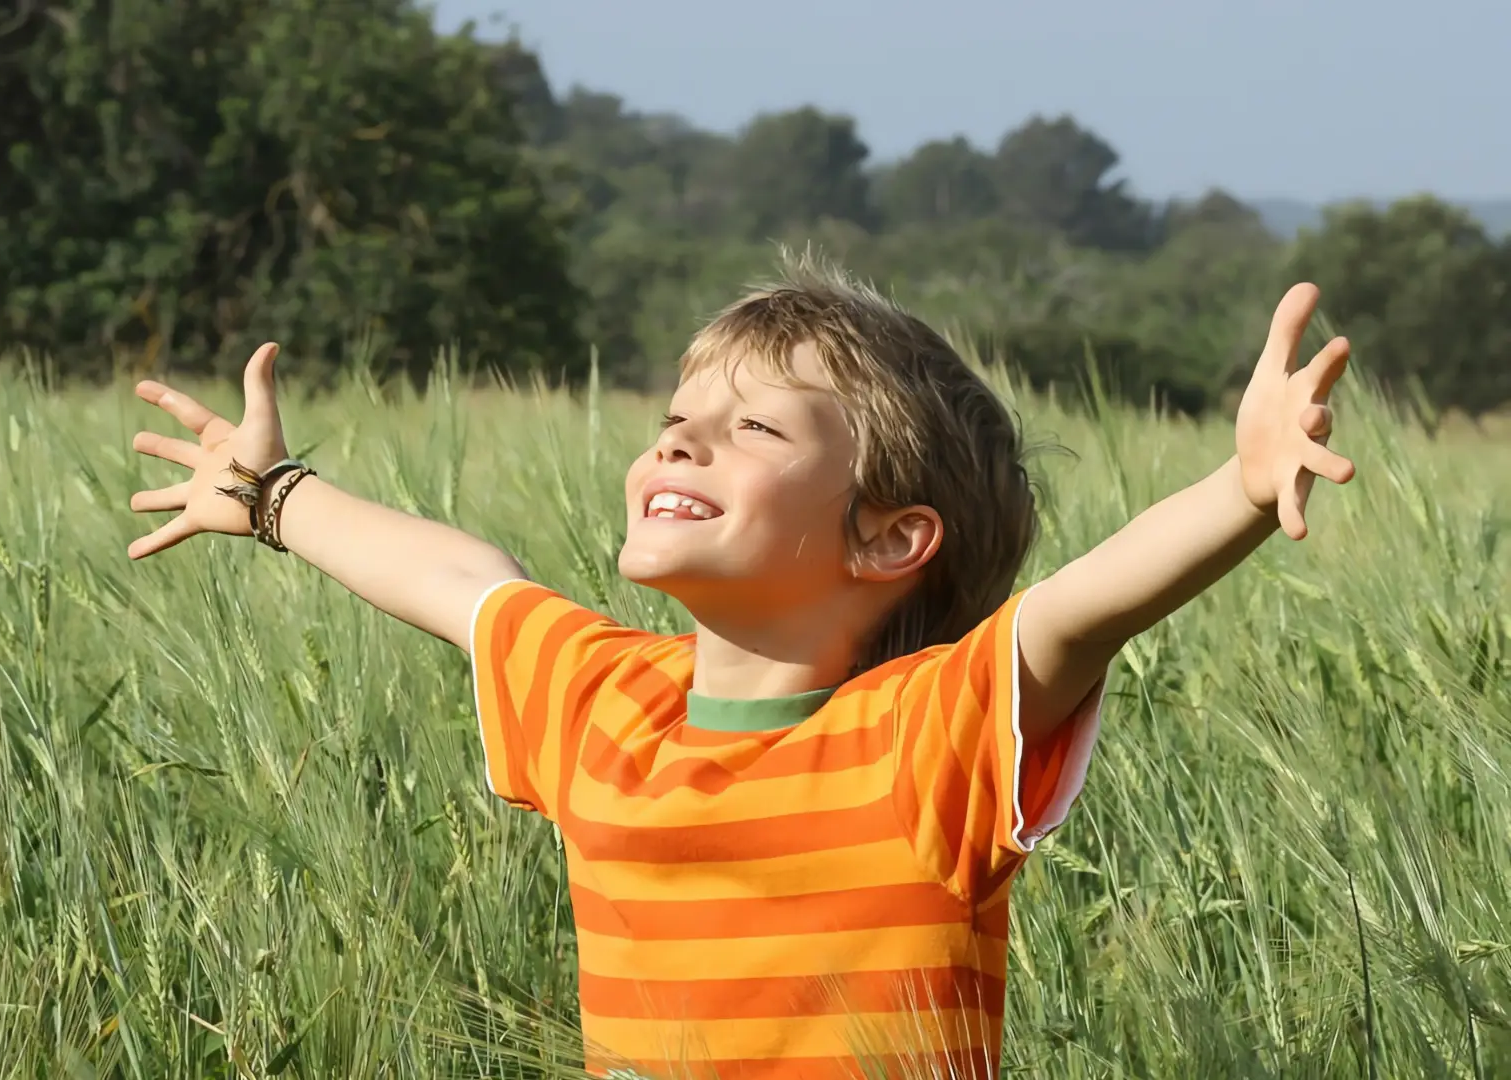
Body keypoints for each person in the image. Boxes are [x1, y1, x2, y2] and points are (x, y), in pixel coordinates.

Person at [124, 252, 1355, 1080]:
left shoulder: (921, 737)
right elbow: (460, 583)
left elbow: (1076, 617)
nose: (681, 441)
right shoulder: (605, 701)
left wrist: (1243, 488)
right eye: (677, 420)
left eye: (753, 428)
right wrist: (274, 497)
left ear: (890, 536)